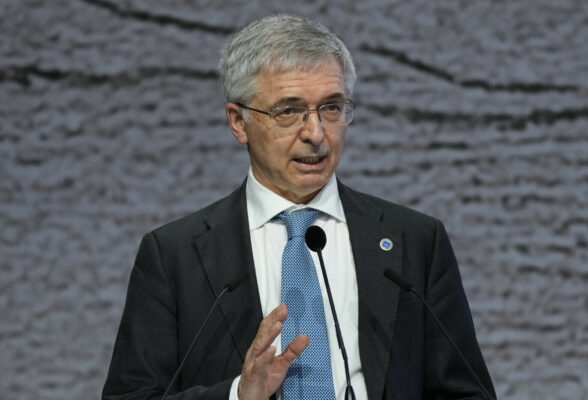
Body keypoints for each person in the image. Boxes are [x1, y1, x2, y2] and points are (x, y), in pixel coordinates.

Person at [102, 14, 496, 400]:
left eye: (332, 108)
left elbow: (466, 392)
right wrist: (239, 396)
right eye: (288, 111)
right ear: (238, 122)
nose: (315, 133)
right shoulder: (175, 256)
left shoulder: (414, 240)